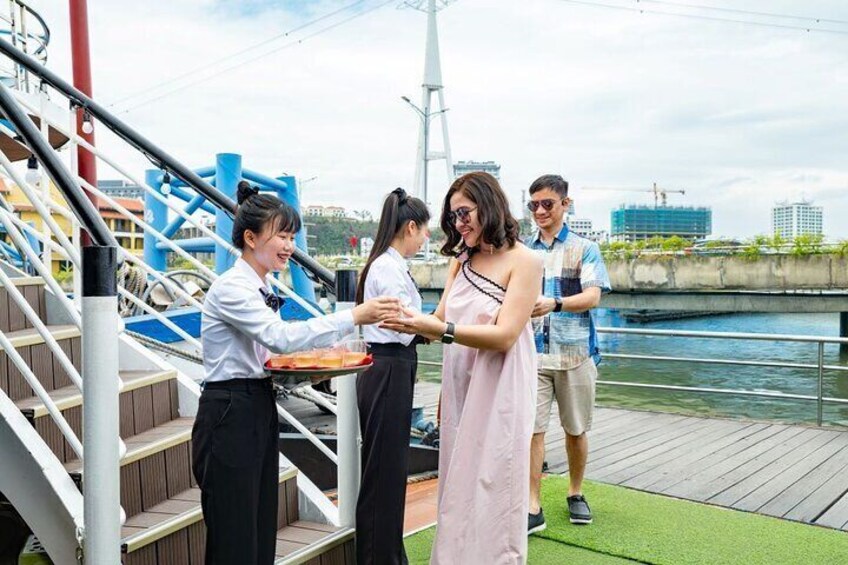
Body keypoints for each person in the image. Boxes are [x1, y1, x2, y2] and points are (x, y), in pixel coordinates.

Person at [191, 181, 400, 565]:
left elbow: (270, 354)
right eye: (282, 236)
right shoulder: (232, 288)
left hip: (255, 404)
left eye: (291, 237)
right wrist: (354, 316)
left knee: (258, 527)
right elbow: (280, 338)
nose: (290, 246)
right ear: (251, 238)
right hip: (229, 411)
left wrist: (316, 364)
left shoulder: (259, 285)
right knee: (234, 535)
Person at [381, 172, 542, 565]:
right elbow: (438, 320)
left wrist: (441, 330)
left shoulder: (526, 261)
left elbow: (505, 335)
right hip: (460, 382)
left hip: (502, 383)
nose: (459, 223)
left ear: (489, 205)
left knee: (496, 481)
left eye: (464, 212)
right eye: (453, 216)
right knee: (458, 479)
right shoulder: (462, 260)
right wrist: (401, 320)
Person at [524, 174, 611, 533]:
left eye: (547, 203)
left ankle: (575, 492)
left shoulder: (585, 247)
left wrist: (555, 303)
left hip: (575, 355)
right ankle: (532, 504)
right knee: (532, 431)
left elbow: (593, 296)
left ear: (565, 204)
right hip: (533, 356)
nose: (540, 211)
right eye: (533, 205)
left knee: (576, 430)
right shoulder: (523, 250)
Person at [354, 187, 430, 565]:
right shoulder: (387, 267)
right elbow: (399, 324)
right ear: (411, 227)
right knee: (384, 472)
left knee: (388, 469)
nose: (426, 238)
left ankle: (387, 554)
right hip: (388, 366)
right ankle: (378, 557)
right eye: (425, 230)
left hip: (391, 366)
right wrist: (435, 327)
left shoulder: (390, 264)